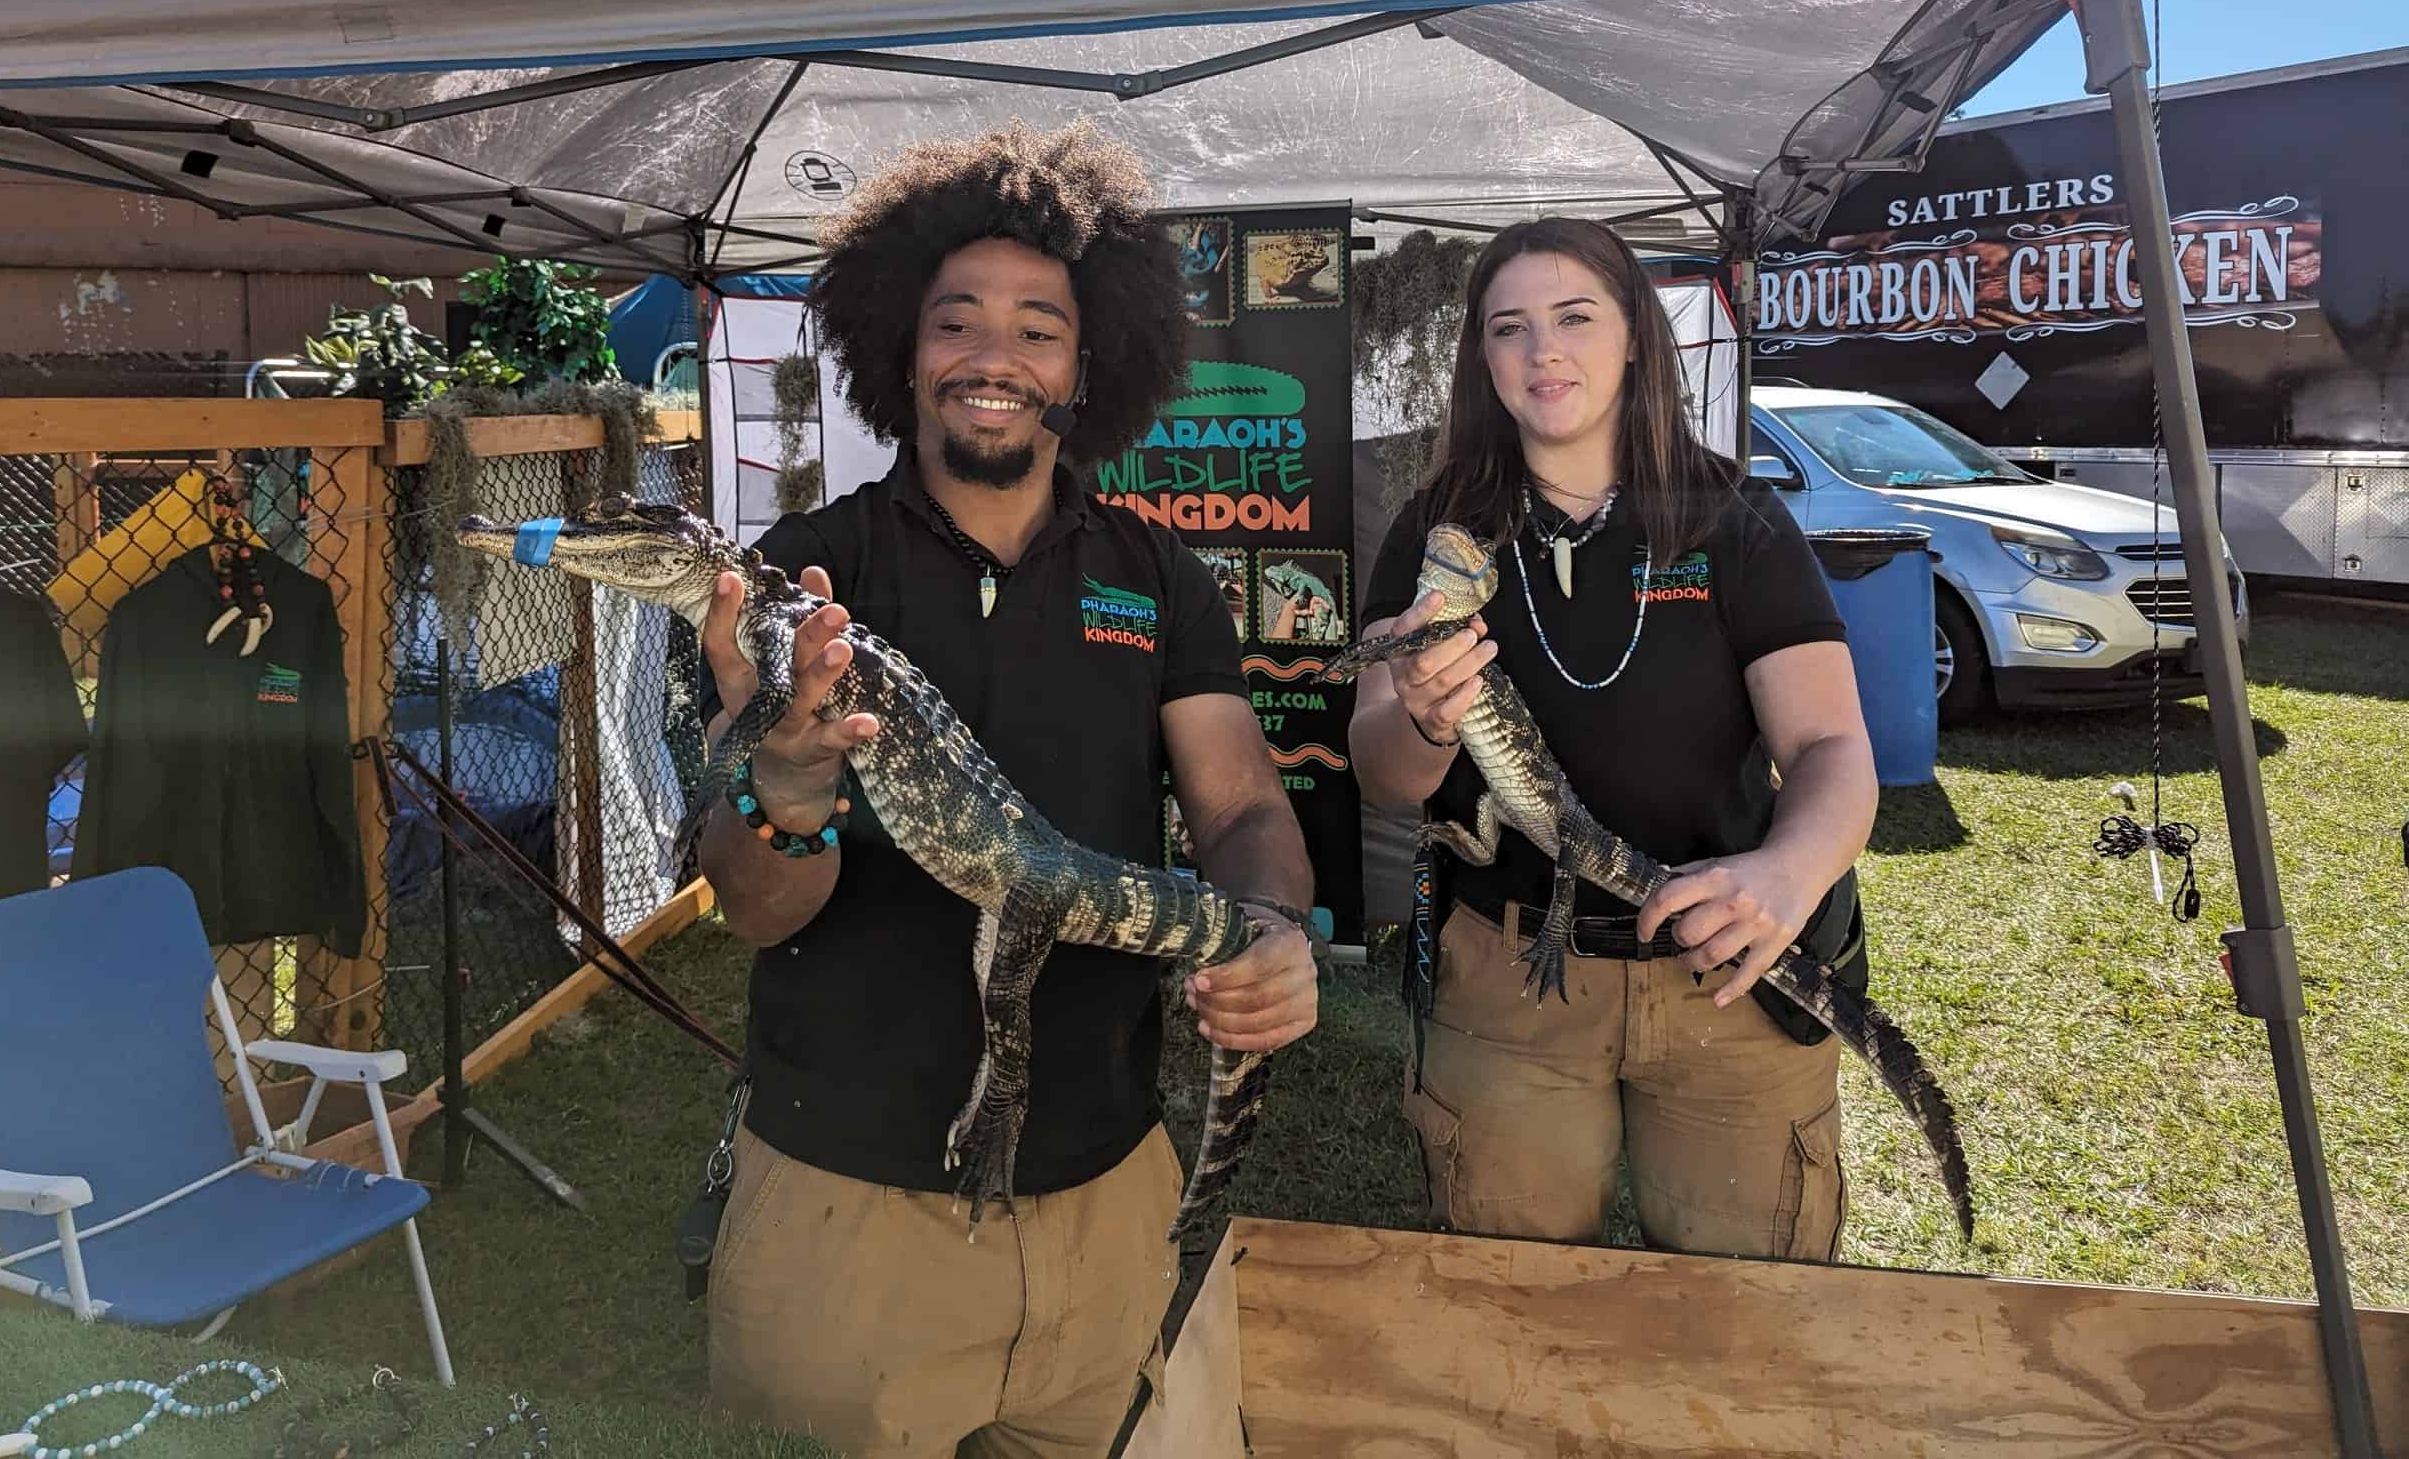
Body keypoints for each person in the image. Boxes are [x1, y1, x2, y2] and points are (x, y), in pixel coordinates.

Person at [692, 121, 1319, 1458]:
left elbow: (1244, 812)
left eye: (1039, 327)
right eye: (956, 321)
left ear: (1089, 366)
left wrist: (1270, 927)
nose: (995, 355)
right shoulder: (804, 577)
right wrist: (783, 785)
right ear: (899, 351)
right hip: (844, 1203)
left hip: (1116, 1195)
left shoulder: (1157, 575)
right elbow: (750, 905)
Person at [1348, 216, 1877, 1263]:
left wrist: (1787, 873)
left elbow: (1829, 746)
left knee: (1756, 1307)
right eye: (1509, 328)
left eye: (1574, 317)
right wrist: (1421, 713)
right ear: (1482, 359)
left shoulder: (1731, 515)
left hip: (1727, 968)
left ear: (1636, 334)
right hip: (1507, 977)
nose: (1543, 351)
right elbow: (1383, 771)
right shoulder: (1435, 526)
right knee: (1513, 1298)